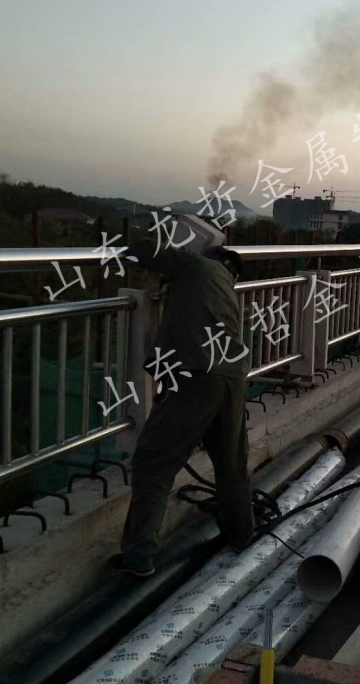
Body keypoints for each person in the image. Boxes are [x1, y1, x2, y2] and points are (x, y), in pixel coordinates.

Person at [109, 241, 254, 577]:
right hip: (231, 378)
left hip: (197, 376)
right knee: (231, 463)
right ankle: (242, 536)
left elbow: (147, 250)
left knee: (153, 462)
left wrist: (116, 243)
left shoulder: (196, 265)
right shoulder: (225, 286)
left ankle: (139, 557)